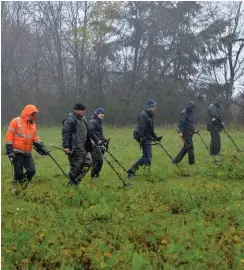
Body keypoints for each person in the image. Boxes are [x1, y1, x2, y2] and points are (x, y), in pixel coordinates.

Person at [5, 104, 49, 185]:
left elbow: (35, 138)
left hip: (27, 152)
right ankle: (19, 185)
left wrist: (42, 148)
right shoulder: (15, 121)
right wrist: (9, 151)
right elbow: (9, 137)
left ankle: (22, 182)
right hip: (17, 152)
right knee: (18, 173)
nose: (35, 117)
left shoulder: (33, 125)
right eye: (34, 115)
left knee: (31, 171)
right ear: (29, 114)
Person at [127, 99, 162, 178]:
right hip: (144, 138)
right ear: (149, 107)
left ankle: (146, 172)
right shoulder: (143, 115)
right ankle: (131, 170)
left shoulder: (149, 115)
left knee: (146, 157)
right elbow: (141, 129)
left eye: (155, 107)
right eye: (153, 107)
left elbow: (150, 129)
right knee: (147, 158)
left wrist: (156, 138)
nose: (154, 108)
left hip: (147, 137)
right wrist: (142, 139)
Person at [62, 103, 92, 186]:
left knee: (88, 164)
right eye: (80, 110)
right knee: (75, 168)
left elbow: (87, 132)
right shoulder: (70, 119)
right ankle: (71, 185)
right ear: (75, 110)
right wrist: (66, 146)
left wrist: (91, 141)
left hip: (83, 148)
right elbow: (66, 133)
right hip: (74, 148)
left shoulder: (83, 119)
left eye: (83, 110)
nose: (82, 112)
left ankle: (76, 182)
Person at [88, 108, 107, 179]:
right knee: (98, 160)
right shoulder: (92, 122)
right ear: (96, 114)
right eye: (100, 113)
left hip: (98, 144)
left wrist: (103, 141)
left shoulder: (98, 122)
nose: (102, 115)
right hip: (94, 145)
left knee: (97, 161)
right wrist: (97, 141)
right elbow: (91, 133)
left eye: (103, 113)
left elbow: (99, 133)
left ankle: (95, 175)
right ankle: (94, 176)